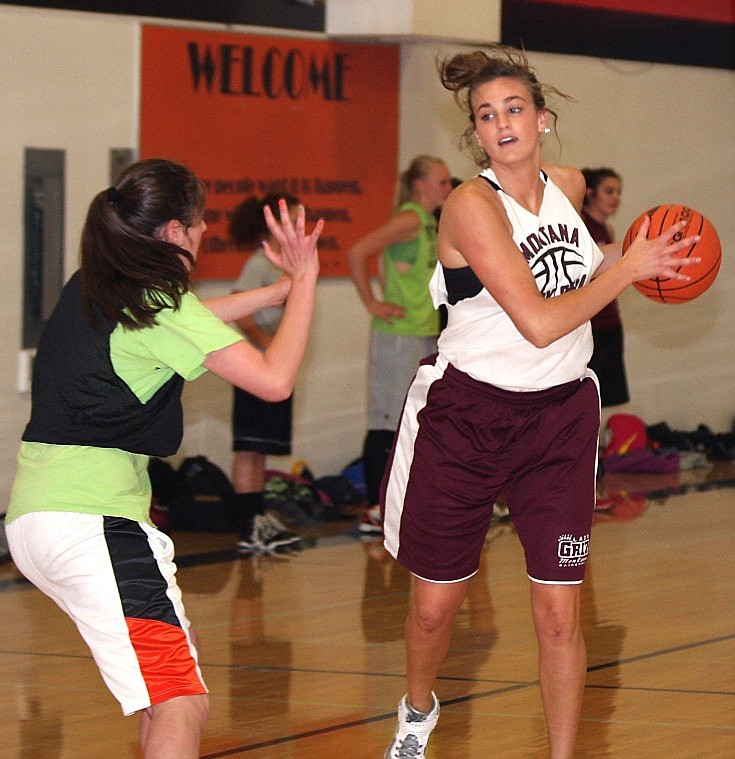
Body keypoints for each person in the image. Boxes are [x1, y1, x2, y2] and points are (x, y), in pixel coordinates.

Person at [380, 46, 699, 759]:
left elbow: (579, 288)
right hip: (466, 413)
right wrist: (628, 270)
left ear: (543, 118)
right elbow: (539, 319)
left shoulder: (568, 184)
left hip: (557, 417)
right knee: (435, 608)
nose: (501, 124)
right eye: (485, 115)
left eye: (513, 109)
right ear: (476, 132)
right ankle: (416, 713)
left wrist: (644, 260)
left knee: (559, 612)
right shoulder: (469, 206)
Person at [5, 158, 323, 759]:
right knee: (181, 699)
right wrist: (305, 283)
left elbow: (192, 321)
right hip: (91, 523)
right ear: (177, 232)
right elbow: (275, 379)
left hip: (41, 516)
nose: (204, 236)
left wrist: (283, 287)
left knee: (171, 681)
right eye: (200, 225)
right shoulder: (156, 304)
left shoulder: (98, 283)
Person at [346, 155, 454, 535]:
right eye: (442, 182)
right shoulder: (409, 219)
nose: (448, 189)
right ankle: (376, 507)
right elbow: (358, 251)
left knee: (414, 420)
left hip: (422, 330)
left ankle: (402, 501)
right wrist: (373, 302)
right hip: (397, 334)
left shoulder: (428, 224)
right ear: (420, 186)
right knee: (387, 420)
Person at [228, 193, 304, 554]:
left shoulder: (282, 264)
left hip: (272, 366)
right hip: (253, 366)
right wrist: (262, 341)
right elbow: (239, 307)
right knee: (248, 447)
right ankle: (246, 525)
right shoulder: (259, 263)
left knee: (261, 449)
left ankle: (256, 518)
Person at [581, 167, 630, 408]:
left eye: (618, 192)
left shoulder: (608, 231)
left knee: (608, 400)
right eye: (609, 191)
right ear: (590, 193)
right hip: (589, 325)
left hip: (611, 322)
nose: (615, 197)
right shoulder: (580, 227)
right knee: (588, 400)